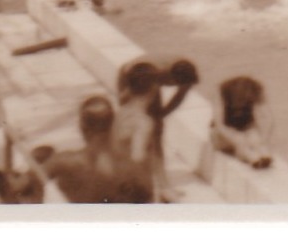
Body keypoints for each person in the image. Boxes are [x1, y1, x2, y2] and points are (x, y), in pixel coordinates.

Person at [37, 95, 152, 204]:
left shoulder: (64, 162)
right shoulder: (131, 166)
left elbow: (23, 186)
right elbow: (148, 199)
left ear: (82, 127)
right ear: (112, 125)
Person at [112, 57, 198, 203]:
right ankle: (143, 185)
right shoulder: (153, 72)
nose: (173, 86)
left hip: (149, 81)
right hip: (129, 75)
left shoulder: (186, 74)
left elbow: (179, 97)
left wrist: (161, 116)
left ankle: (164, 187)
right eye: (173, 83)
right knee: (142, 133)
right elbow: (124, 98)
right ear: (169, 77)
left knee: (156, 134)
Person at [210, 77, 274, 170]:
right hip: (222, 132)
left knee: (254, 137)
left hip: (244, 129)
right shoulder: (221, 91)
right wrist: (236, 140)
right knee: (241, 141)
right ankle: (253, 159)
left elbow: (268, 117)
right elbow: (219, 125)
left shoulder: (255, 89)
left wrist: (263, 140)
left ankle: (263, 156)